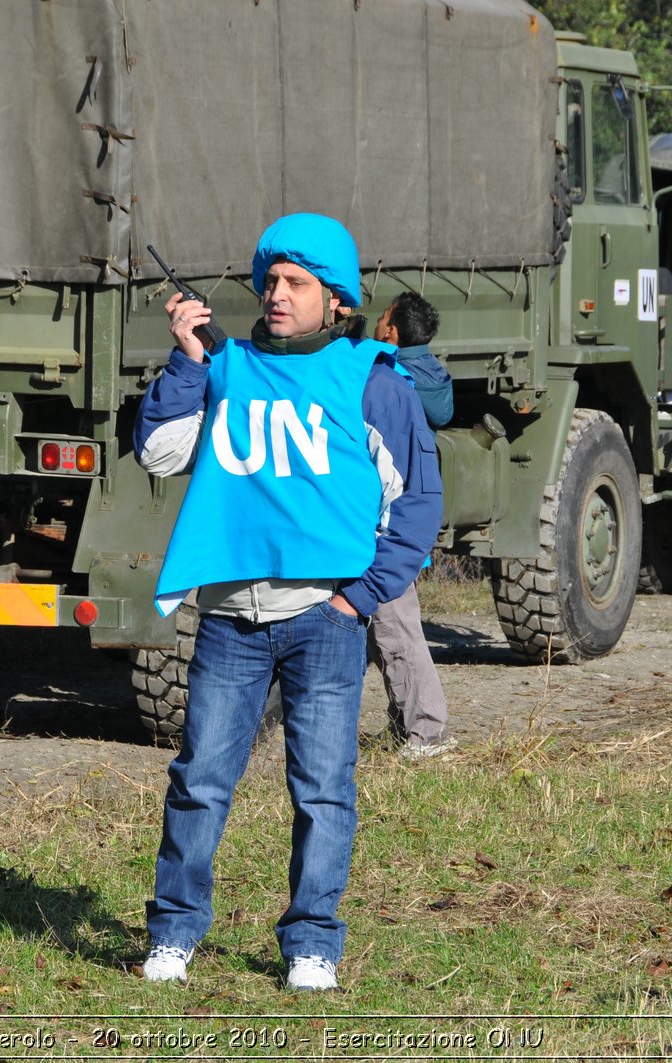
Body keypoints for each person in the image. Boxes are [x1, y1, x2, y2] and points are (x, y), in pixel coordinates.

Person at [133, 213, 442, 991]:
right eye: (269, 279)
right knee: (201, 779)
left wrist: (359, 601)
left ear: (336, 300)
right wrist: (186, 358)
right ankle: (174, 932)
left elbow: (416, 507)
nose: (275, 293)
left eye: (295, 282)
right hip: (232, 621)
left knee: (324, 789)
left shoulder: (374, 381)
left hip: (325, 622)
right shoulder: (226, 367)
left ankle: (312, 943)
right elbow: (159, 450)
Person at [368, 293, 457, 758]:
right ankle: (407, 725)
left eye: (381, 319)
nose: (376, 325)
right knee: (384, 628)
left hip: (389, 519)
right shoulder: (432, 375)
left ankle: (427, 731)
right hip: (409, 513)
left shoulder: (389, 375)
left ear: (393, 332)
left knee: (395, 624)